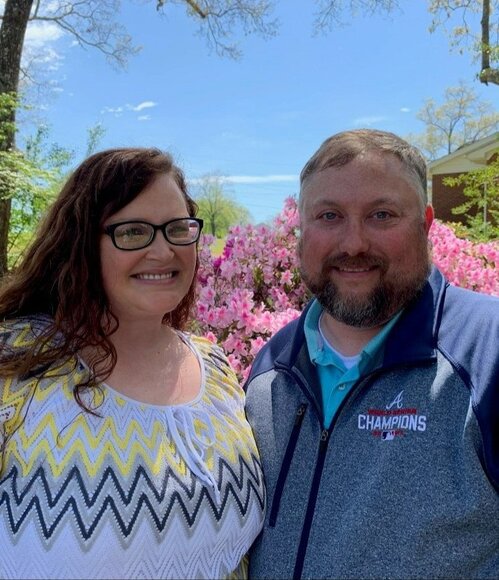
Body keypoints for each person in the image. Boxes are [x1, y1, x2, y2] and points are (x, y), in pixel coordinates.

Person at [245, 129, 499, 579]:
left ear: (425, 225)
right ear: (301, 230)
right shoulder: (270, 372)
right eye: (329, 216)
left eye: (382, 215)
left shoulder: (487, 352)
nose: (354, 244)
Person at [0, 148, 265, 580]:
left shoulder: (215, 367)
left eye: (177, 229)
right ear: (82, 243)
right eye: (134, 231)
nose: (163, 251)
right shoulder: (16, 363)